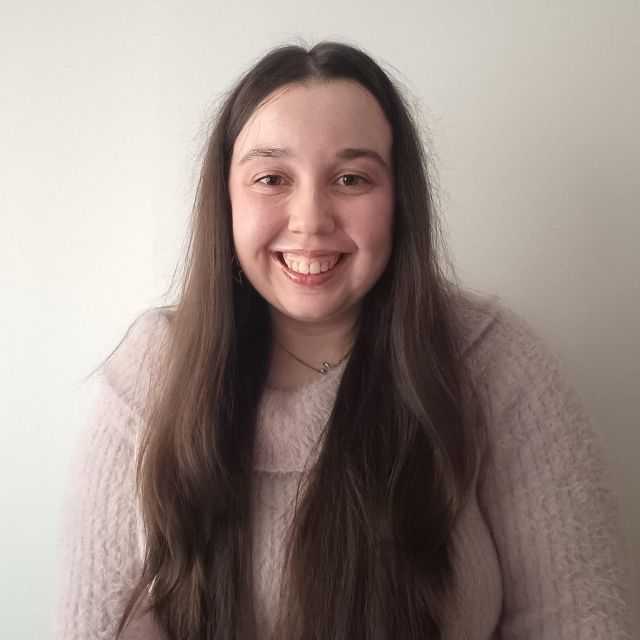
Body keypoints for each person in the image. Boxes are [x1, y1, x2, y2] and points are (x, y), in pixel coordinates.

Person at [53, 41, 633, 639]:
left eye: (352, 179)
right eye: (271, 178)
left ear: (399, 200)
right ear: (226, 199)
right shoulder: (154, 371)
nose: (310, 219)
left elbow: (581, 620)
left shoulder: (495, 364)